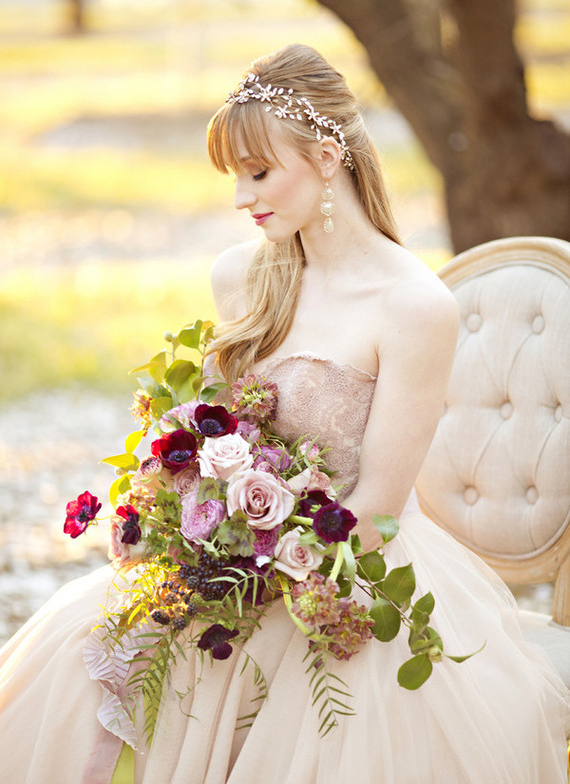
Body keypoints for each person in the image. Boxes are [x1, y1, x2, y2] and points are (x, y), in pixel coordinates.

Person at [0, 43, 568, 783]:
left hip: (343, 572)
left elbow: (375, 507)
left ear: (328, 157)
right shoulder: (241, 276)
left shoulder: (414, 307)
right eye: (235, 177)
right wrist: (182, 532)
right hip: (225, 564)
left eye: (259, 173)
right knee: (82, 659)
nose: (242, 198)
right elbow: (209, 431)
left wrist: (259, 568)